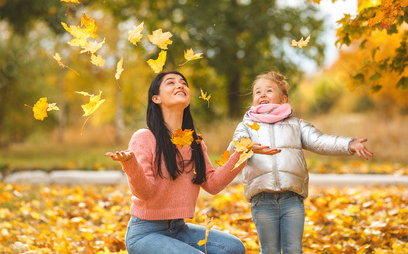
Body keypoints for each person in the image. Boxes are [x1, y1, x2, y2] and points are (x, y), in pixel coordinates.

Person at [106, 71, 280, 254]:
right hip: (145, 233)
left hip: (180, 229)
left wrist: (243, 153)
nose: (180, 85)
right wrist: (130, 164)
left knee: (233, 248)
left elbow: (212, 184)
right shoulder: (144, 138)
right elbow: (144, 193)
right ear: (156, 98)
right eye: (170, 83)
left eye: (183, 82)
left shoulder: (195, 141)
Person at [228, 71, 374, 254]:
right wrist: (248, 146)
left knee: (293, 249)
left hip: (292, 200)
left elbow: (320, 141)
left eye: (269, 90)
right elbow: (234, 148)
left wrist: (348, 144)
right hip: (262, 200)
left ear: (283, 99)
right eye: (258, 92)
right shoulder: (246, 126)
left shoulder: (297, 125)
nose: (262, 94)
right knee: (269, 250)